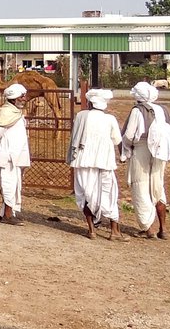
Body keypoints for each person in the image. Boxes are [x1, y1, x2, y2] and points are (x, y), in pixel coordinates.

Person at [121, 82, 170, 239]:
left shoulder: (137, 111)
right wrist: (165, 147)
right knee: (158, 186)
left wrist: (127, 148)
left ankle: (147, 228)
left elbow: (128, 135)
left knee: (140, 186)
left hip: (141, 149)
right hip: (160, 152)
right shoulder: (164, 110)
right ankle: (163, 229)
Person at [67, 89, 128, 241]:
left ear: (89, 102)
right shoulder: (110, 119)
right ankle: (114, 231)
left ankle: (91, 230)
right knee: (109, 194)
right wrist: (122, 156)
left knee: (86, 195)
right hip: (104, 162)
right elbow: (118, 140)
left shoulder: (81, 116)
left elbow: (74, 137)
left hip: (82, 161)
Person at [0, 83, 31, 225]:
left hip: (16, 154)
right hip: (8, 155)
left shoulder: (16, 112)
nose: (24, 99)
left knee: (14, 183)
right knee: (9, 184)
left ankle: (6, 213)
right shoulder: (6, 112)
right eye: (21, 96)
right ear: (13, 98)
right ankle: (7, 216)